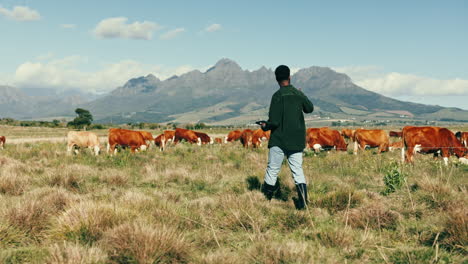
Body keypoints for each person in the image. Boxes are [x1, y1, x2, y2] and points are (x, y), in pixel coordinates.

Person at [259, 65, 314, 210]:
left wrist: (265, 126)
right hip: (296, 141)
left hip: (279, 140)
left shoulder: (277, 96)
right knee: (297, 171)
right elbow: (309, 108)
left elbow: (275, 122)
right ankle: (303, 206)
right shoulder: (298, 94)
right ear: (289, 77)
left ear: (277, 79)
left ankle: (265, 203)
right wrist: (302, 95)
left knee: (272, 170)